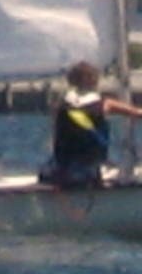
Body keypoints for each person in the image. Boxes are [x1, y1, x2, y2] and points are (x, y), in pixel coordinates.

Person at [38, 60, 142, 189]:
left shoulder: (61, 105)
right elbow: (137, 113)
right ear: (94, 81)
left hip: (61, 167)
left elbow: (55, 133)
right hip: (88, 168)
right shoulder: (104, 104)